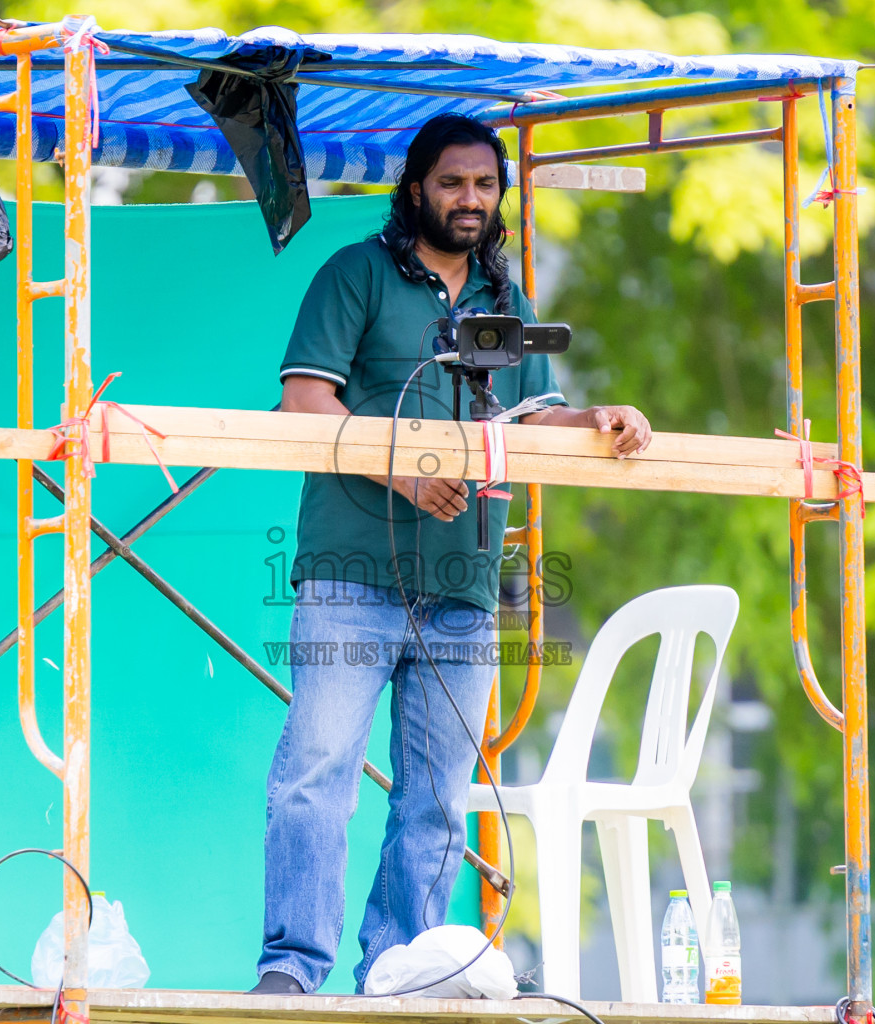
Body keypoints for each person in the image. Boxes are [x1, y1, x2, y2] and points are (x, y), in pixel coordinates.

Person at [250, 112, 652, 996]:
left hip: (466, 586)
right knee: (317, 777)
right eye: (451, 183)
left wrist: (600, 420)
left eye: (484, 185)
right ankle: (290, 972)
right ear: (416, 188)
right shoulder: (354, 274)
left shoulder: (506, 301)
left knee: (435, 800)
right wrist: (405, 473)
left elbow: (534, 415)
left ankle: (401, 972)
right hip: (351, 576)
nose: (469, 200)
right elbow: (303, 404)